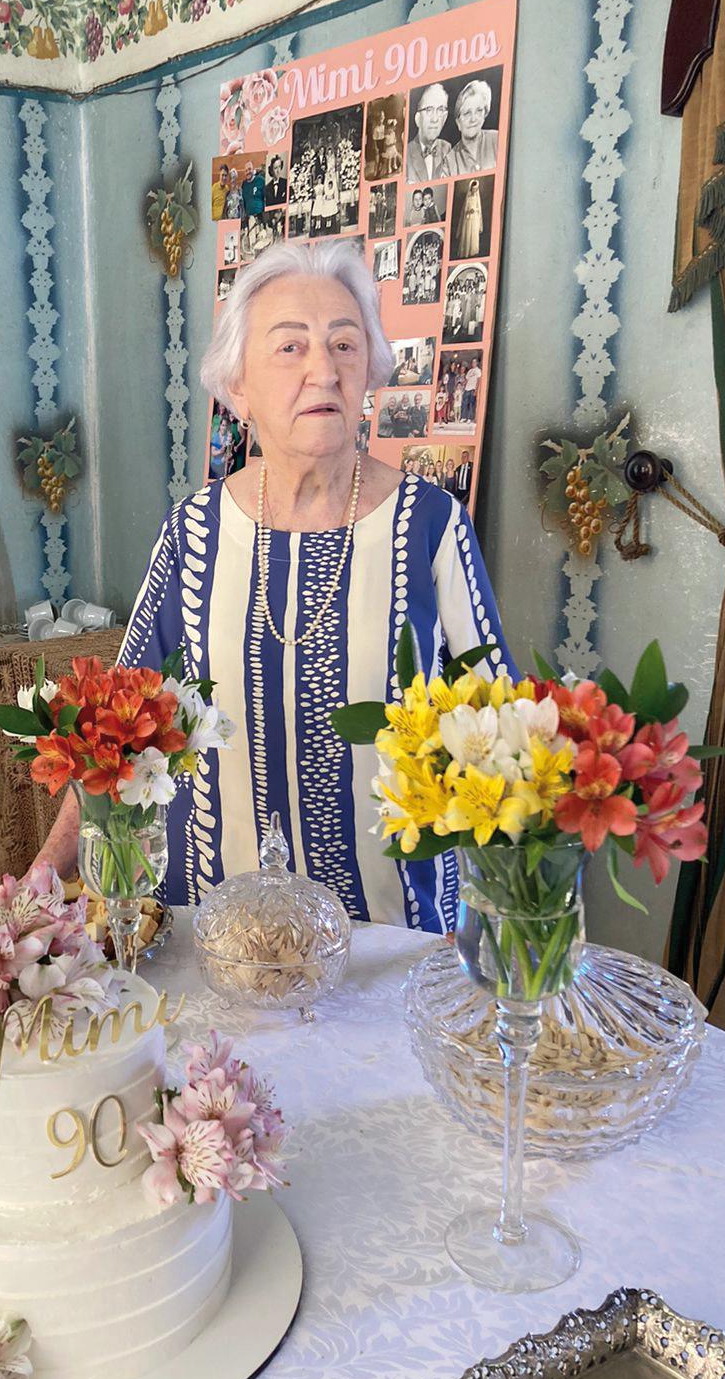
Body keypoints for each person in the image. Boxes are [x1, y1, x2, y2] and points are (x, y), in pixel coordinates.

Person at [30, 242, 512, 928]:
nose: (324, 369)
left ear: (370, 372)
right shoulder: (192, 533)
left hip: (389, 940)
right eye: (290, 348)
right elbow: (114, 738)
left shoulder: (430, 526)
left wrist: (520, 926)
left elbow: (504, 735)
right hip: (213, 936)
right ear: (238, 386)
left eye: (346, 345)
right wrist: (40, 881)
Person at [446, 81, 499, 175]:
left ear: (485, 113)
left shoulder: (498, 139)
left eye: (479, 111)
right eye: (467, 113)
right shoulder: (450, 160)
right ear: (458, 122)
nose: (473, 119)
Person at [407, 83, 451, 182]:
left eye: (440, 110)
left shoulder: (447, 149)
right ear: (418, 118)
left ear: (444, 118)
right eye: (429, 110)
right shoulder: (406, 154)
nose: (435, 119)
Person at [456, 177, 484, 257]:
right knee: (467, 234)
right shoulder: (468, 198)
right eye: (473, 189)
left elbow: (479, 210)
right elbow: (464, 210)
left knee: (473, 234)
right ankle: (466, 251)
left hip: (474, 218)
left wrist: (474, 210)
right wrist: (469, 211)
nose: (474, 191)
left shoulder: (477, 198)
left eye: (475, 189)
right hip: (468, 219)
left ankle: (472, 251)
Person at [463, 357, 482, 422]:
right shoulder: (470, 371)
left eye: (474, 362)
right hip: (467, 389)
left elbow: (479, 380)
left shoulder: (478, 370)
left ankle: (470, 418)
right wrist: (464, 386)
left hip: (473, 388)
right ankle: (464, 417)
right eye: (472, 362)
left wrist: (476, 390)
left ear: (477, 363)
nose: (473, 363)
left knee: (471, 403)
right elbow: (466, 379)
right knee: (465, 403)